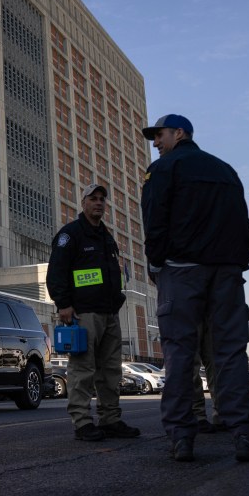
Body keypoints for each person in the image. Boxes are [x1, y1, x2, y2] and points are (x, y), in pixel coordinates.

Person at [140, 114, 249, 463]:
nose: (156, 143)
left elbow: (154, 219)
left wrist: (156, 264)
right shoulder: (225, 170)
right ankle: (245, 434)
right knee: (229, 352)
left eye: (160, 136)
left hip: (182, 272)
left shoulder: (164, 169)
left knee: (180, 354)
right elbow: (242, 221)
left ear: (179, 133)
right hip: (225, 273)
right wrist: (237, 262)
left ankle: (182, 438)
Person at [46, 183, 142, 442]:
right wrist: (63, 304)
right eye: (93, 199)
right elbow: (56, 273)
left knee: (111, 371)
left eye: (102, 199)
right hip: (84, 314)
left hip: (110, 313)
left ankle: (110, 419)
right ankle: (82, 422)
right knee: (83, 370)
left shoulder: (106, 237)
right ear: (83, 202)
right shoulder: (70, 235)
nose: (99, 203)